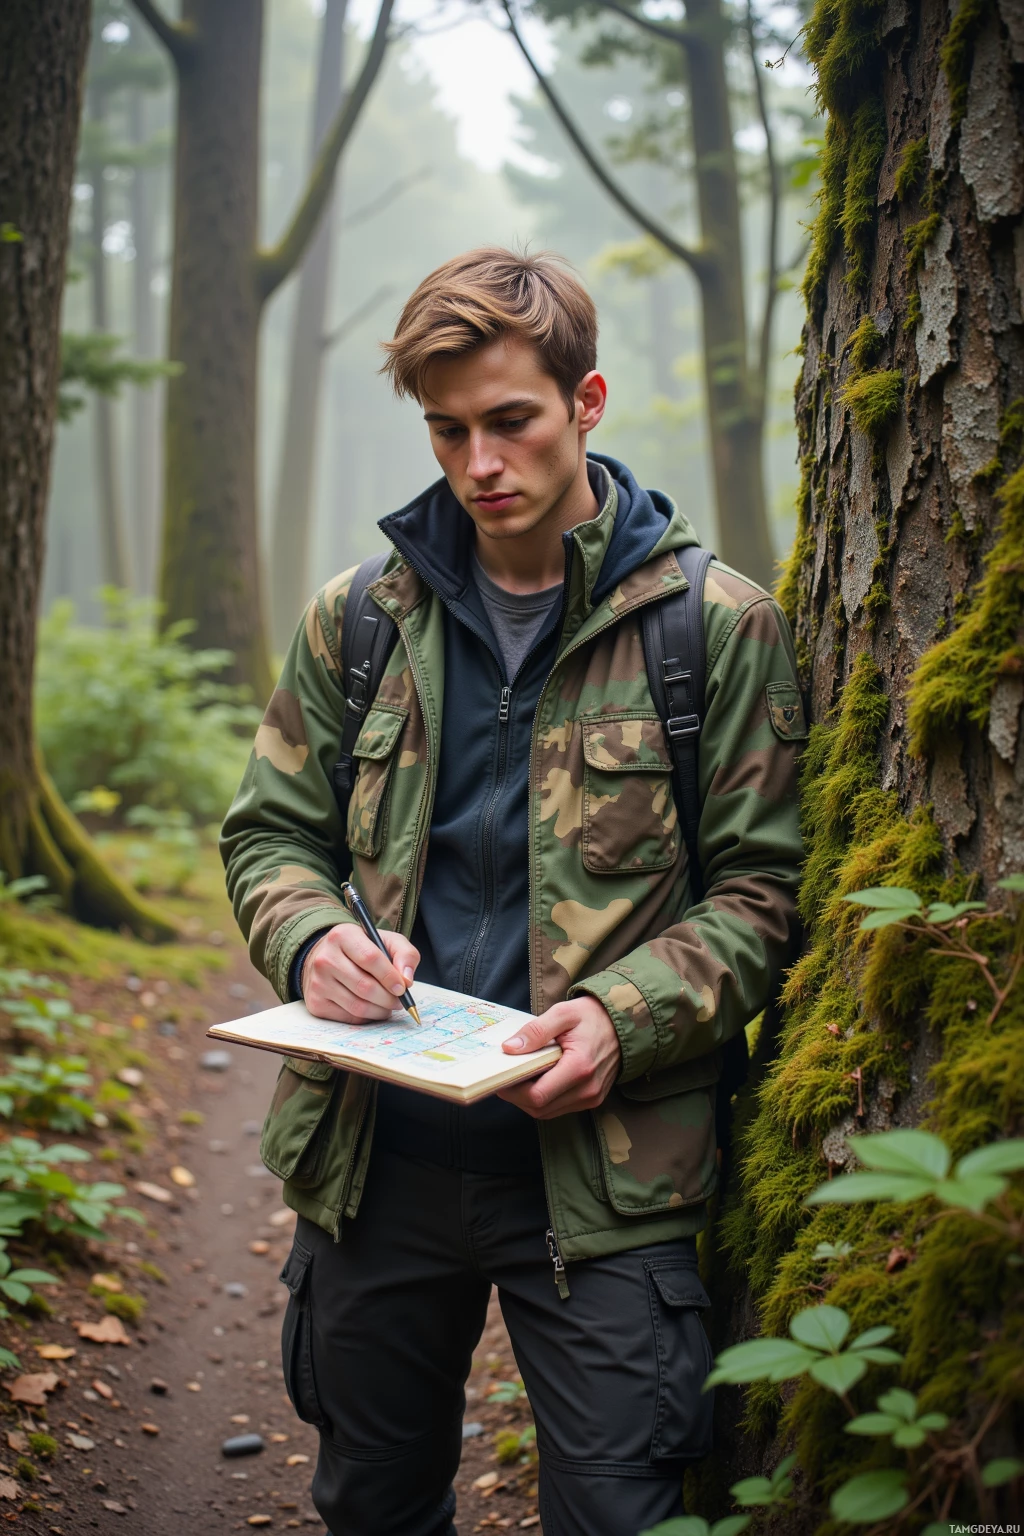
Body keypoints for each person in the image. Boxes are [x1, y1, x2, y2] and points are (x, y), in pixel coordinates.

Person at [220, 247, 805, 1536]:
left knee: (619, 1511)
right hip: (378, 1156)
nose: (479, 462)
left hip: (607, 1176)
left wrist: (625, 1014)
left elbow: (763, 893)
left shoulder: (712, 630)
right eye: (447, 430)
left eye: (510, 421)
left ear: (586, 403)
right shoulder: (357, 619)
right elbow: (269, 838)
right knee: (373, 1499)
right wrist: (314, 939)